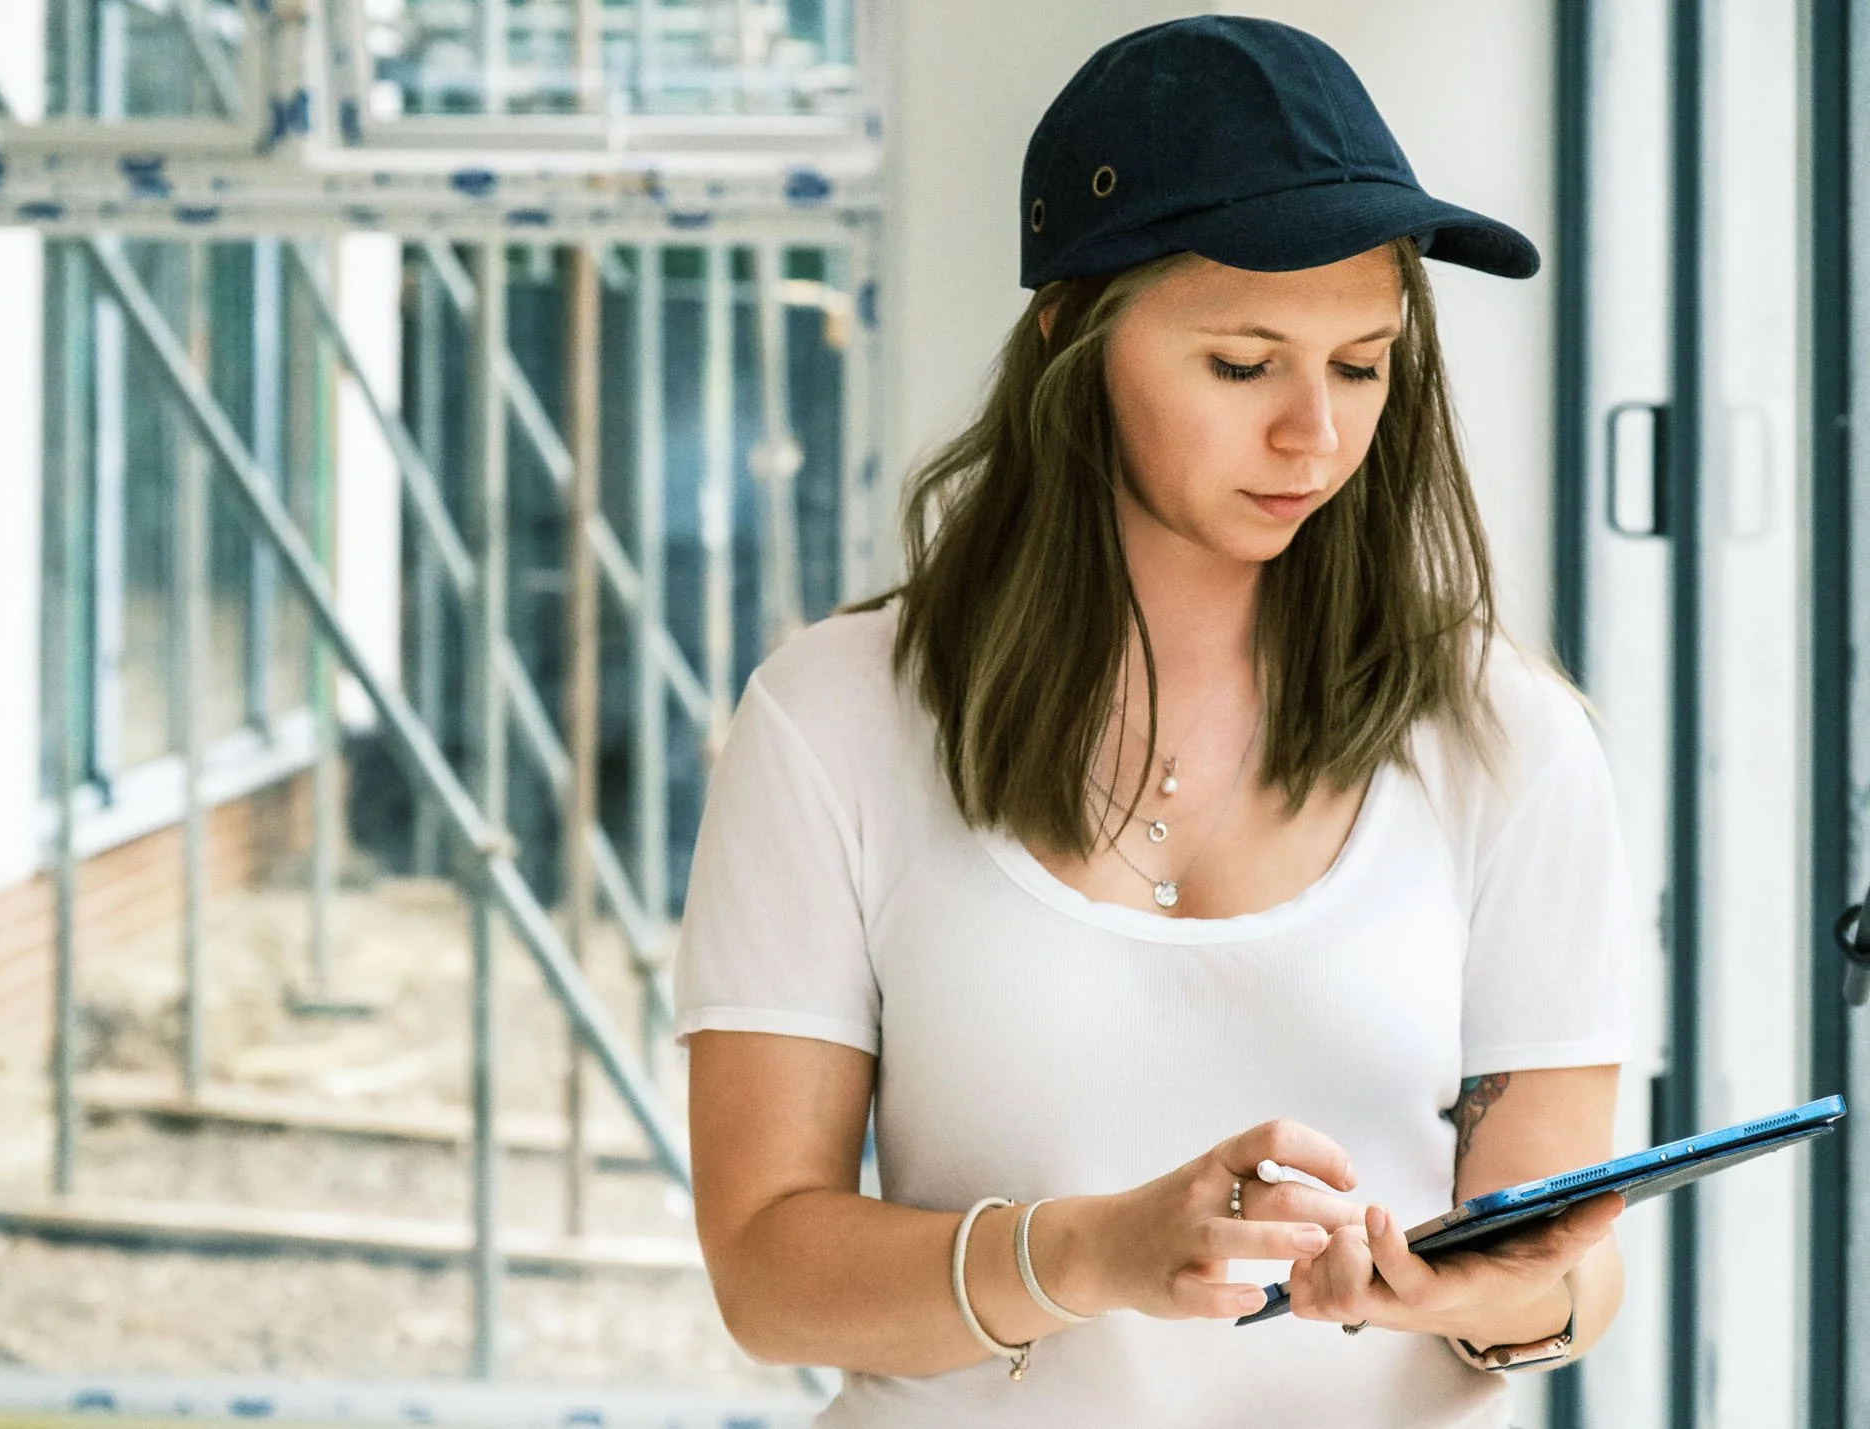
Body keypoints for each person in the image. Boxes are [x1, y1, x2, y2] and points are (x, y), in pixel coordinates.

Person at [673, 15, 1636, 1427]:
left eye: (1363, 365)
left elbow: (1571, 1273)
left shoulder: (1510, 738)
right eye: (1243, 366)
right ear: (1073, 328)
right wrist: (1085, 1253)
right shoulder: (835, 720)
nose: (1316, 432)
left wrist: (1476, 1296)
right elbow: (766, 1274)